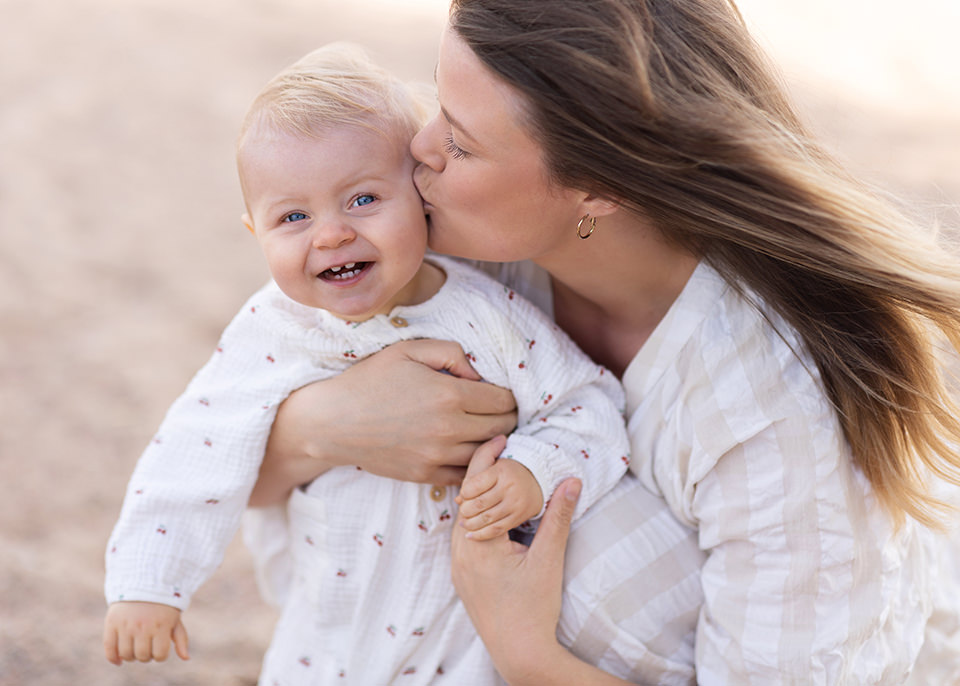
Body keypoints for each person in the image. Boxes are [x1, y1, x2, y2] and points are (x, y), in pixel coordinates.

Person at [249, 0, 960, 684]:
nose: (420, 147)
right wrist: (326, 425)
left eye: (460, 141)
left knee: (584, 550)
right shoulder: (455, 252)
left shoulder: (770, 411)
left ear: (596, 186)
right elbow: (225, 473)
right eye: (438, 104)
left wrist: (529, 657)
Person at [101, 42, 632, 684]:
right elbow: (195, 445)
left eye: (361, 200)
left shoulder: (490, 316)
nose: (330, 234)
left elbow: (591, 405)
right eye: (292, 216)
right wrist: (149, 584)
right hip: (325, 637)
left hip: (460, 639)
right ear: (256, 234)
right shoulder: (273, 330)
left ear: (420, 198)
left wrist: (533, 471)